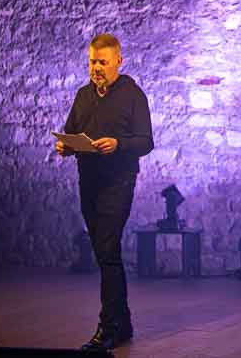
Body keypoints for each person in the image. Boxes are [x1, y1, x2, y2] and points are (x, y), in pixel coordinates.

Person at [55, 33, 153, 350]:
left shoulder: (133, 94)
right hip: (89, 181)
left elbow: (146, 142)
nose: (96, 68)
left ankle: (108, 328)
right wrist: (65, 146)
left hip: (118, 182)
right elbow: (71, 132)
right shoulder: (84, 95)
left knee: (108, 251)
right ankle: (122, 324)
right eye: (92, 62)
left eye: (103, 62)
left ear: (118, 62)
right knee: (105, 254)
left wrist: (118, 144)